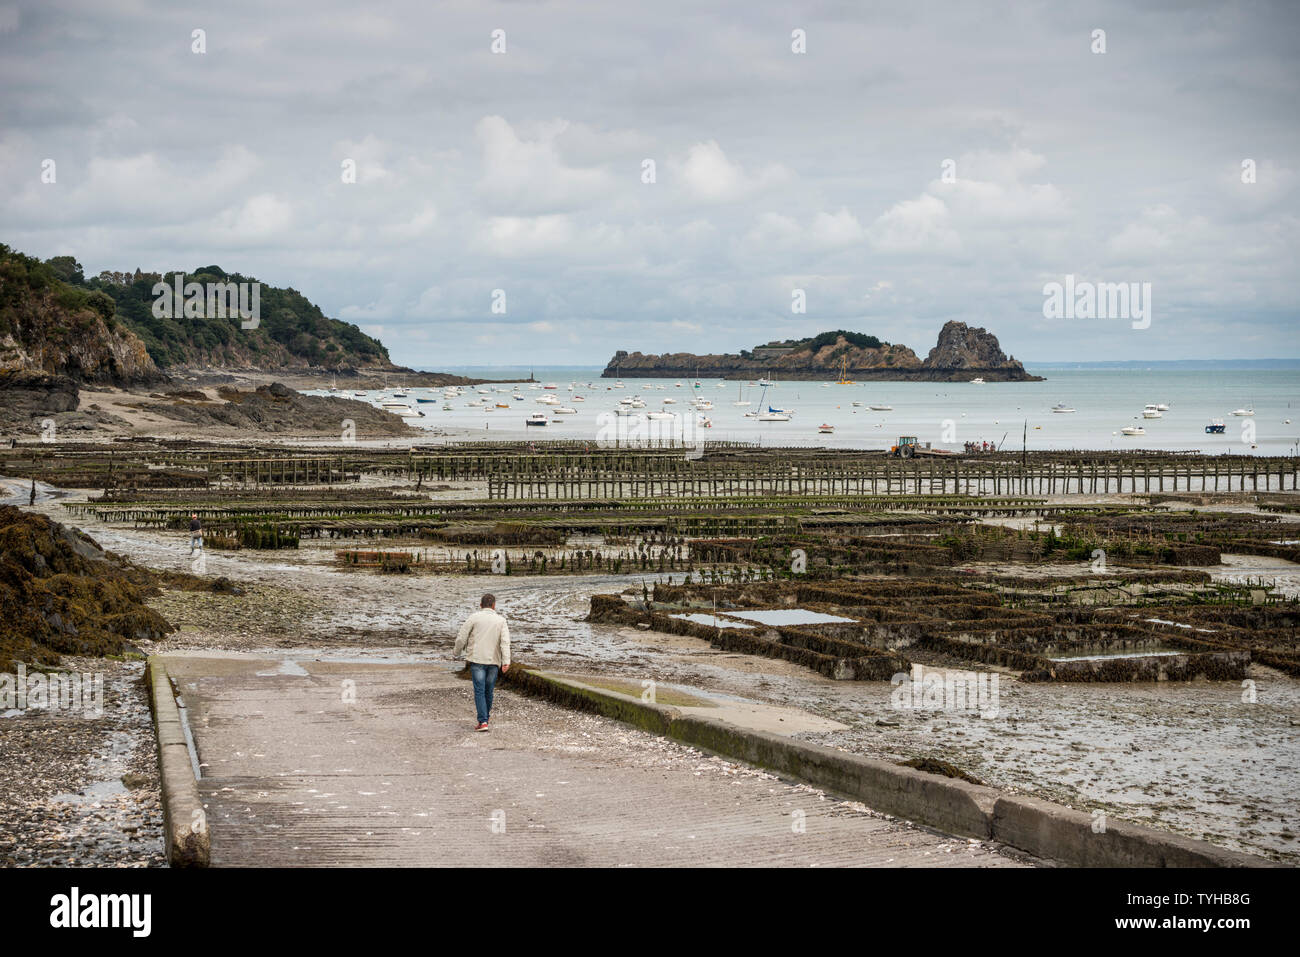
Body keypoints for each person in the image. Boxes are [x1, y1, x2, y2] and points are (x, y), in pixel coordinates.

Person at [453, 594, 511, 731]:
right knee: (488, 690)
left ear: (481, 605)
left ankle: (483, 721)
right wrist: (506, 661)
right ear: (494, 605)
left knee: (479, 690)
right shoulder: (501, 620)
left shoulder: (474, 618)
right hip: (494, 660)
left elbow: (462, 637)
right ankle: (485, 717)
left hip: (477, 659)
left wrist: (457, 652)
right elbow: (505, 642)